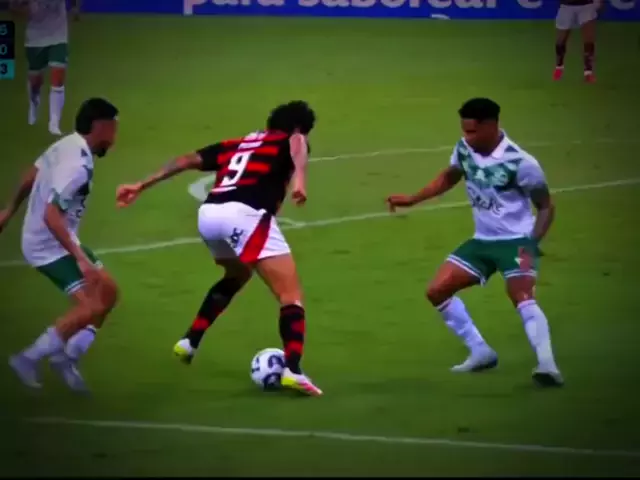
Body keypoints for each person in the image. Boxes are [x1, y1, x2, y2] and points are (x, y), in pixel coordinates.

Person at [115, 100, 322, 396]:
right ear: (299, 127)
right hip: (246, 214)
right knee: (290, 296)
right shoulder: (289, 140)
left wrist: (141, 184)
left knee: (238, 275)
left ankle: (190, 341)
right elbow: (297, 141)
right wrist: (300, 180)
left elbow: (185, 160)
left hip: (209, 214)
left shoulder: (236, 145)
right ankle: (292, 369)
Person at [386, 98, 563, 387]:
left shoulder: (522, 163)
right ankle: (481, 351)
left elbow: (546, 207)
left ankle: (547, 365)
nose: (467, 137)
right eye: (464, 131)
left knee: (521, 295)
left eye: (472, 131)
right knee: (437, 291)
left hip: (518, 241)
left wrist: (530, 245)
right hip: (482, 241)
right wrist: (413, 199)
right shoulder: (464, 149)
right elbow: (450, 176)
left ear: (491, 126)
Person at [0, 97, 119, 393]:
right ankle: (28, 358)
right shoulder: (77, 166)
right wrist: (79, 258)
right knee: (91, 306)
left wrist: (9, 210)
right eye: (113, 129)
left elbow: (33, 173)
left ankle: (67, 357)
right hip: (47, 245)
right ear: (99, 127)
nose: (115, 138)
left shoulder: (67, 144)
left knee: (109, 292)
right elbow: (51, 215)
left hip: (61, 238)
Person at [10, 0, 81, 135]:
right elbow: (13, 7)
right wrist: (25, 10)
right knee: (35, 80)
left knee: (58, 77)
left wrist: (75, 8)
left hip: (58, 36)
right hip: (35, 38)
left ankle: (54, 123)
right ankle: (34, 104)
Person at [553, 0, 602, 83]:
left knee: (589, 38)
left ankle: (588, 72)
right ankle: (559, 67)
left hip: (587, 5)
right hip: (566, 6)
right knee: (561, 39)